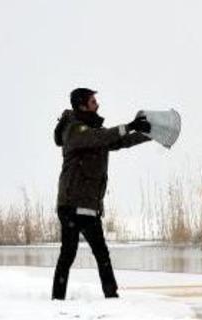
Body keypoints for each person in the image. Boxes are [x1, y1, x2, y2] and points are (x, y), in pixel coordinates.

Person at [51, 88, 151, 300]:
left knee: (102, 253)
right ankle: (57, 300)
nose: (97, 104)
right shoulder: (74, 130)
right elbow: (101, 137)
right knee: (68, 254)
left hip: (89, 205)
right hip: (70, 204)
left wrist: (148, 133)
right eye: (93, 101)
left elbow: (120, 141)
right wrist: (129, 125)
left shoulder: (93, 131)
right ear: (81, 105)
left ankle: (111, 297)